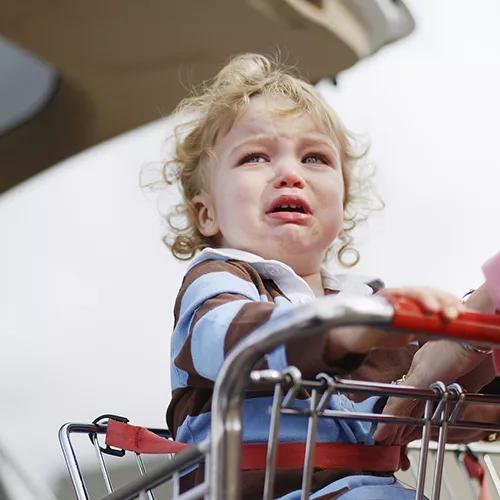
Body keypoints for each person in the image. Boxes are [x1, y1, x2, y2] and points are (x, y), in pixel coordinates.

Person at [161, 53, 465, 499]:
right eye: (255, 157)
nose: (289, 173)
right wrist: (340, 329)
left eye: (315, 159)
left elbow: (436, 379)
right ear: (207, 214)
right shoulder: (217, 282)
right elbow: (223, 342)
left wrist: (472, 337)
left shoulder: (368, 299)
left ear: (343, 203)